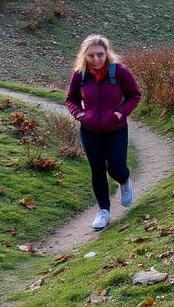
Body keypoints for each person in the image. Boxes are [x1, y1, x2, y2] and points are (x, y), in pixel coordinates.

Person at [65, 34, 142, 230]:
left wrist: (120, 113)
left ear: (107, 53)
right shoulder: (79, 75)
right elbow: (70, 99)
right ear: (84, 56)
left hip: (116, 129)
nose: (96, 59)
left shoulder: (119, 72)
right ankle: (103, 212)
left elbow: (134, 95)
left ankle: (124, 181)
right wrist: (80, 115)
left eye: (100, 54)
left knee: (116, 168)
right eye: (91, 55)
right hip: (89, 131)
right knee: (97, 170)